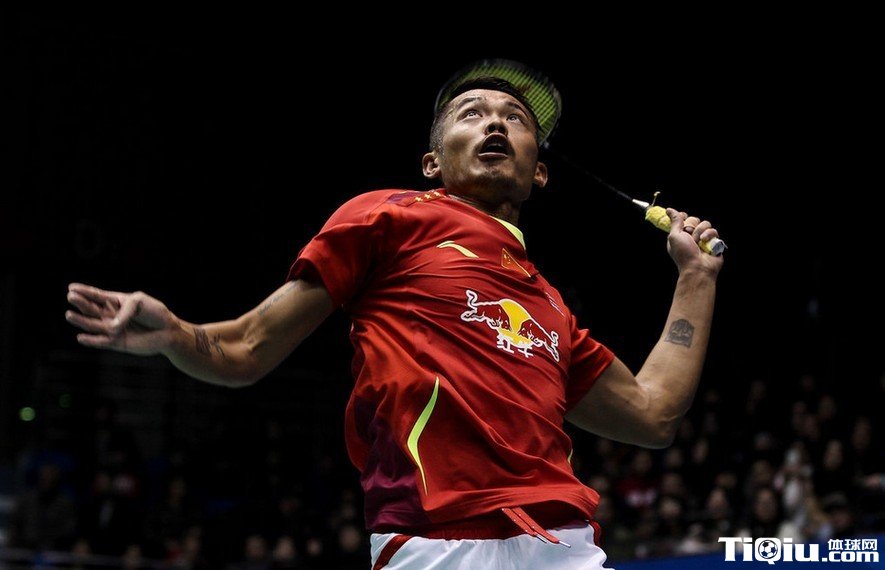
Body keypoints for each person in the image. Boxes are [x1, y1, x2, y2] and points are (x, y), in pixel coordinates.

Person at [65, 59, 723, 569]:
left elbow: (652, 414)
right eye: (471, 113)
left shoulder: (550, 308)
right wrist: (175, 333)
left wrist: (695, 277)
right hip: (435, 542)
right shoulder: (391, 218)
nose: (495, 124)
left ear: (540, 173)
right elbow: (246, 349)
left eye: (514, 119)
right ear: (432, 162)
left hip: (563, 541)